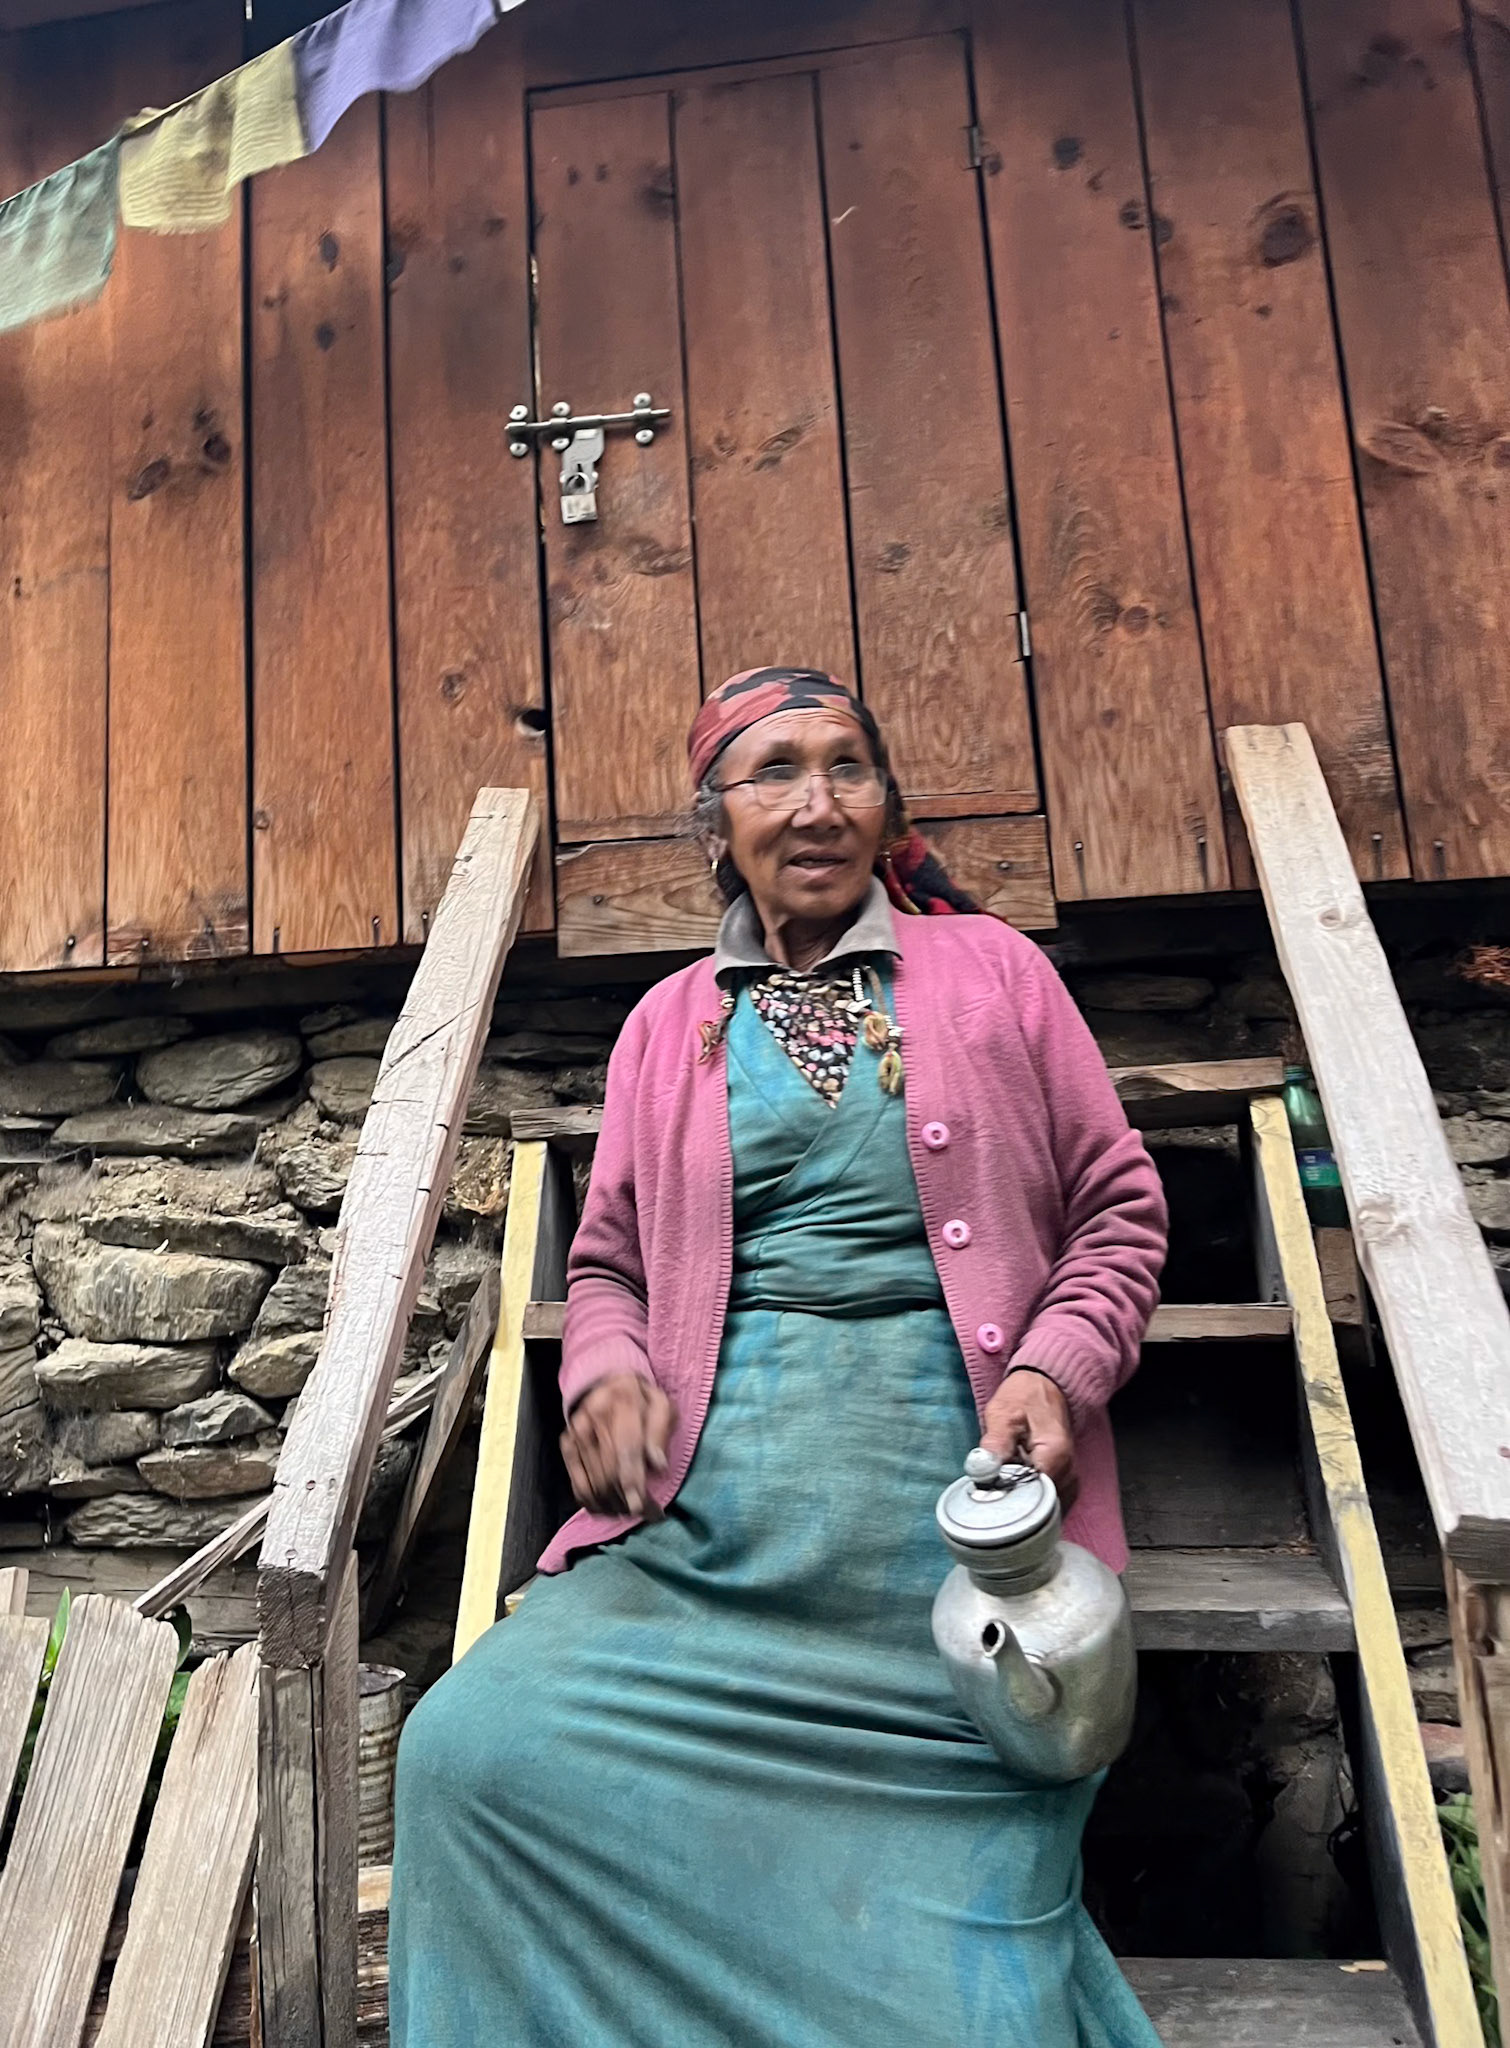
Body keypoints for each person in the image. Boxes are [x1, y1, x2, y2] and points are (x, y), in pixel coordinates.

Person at [390, 666, 1169, 2047]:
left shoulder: (994, 974)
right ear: (717, 825)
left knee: (959, 2013)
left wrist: (1053, 1367)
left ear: (885, 806)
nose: (816, 805)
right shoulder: (663, 1026)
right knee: (468, 1751)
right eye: (773, 773)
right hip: (713, 1544)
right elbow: (609, 1265)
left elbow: (1119, 1208)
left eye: (845, 767)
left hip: (949, 1550)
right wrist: (608, 1377)